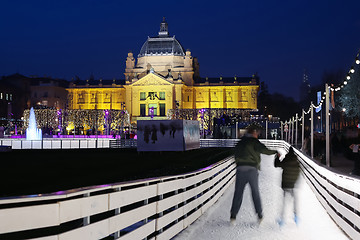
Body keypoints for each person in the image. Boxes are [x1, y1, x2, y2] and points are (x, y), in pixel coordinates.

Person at [230, 124, 279, 225]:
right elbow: (264, 150)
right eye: (258, 133)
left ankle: (233, 216)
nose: (258, 135)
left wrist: (239, 163)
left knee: (238, 193)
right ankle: (260, 215)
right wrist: (275, 152)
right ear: (254, 132)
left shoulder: (240, 142)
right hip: (252, 169)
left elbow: (235, 154)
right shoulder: (254, 142)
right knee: (255, 193)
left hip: (240, 169)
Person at [274, 146, 300, 226]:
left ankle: (282, 220)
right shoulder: (296, 162)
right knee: (294, 201)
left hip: (286, 184)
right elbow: (298, 173)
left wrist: (277, 157)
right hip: (292, 185)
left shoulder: (286, 160)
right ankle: (296, 217)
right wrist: (295, 181)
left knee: (285, 202)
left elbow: (276, 164)